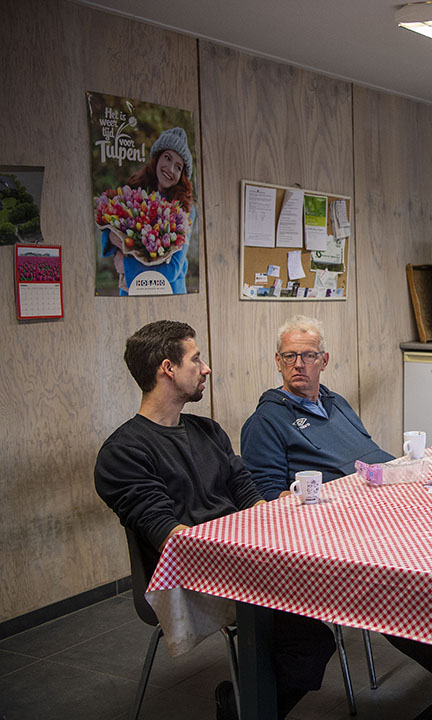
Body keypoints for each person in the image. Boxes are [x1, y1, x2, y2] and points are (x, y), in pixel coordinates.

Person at [94, 320, 335, 720]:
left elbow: (252, 500)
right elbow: (171, 537)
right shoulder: (123, 453)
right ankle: (245, 708)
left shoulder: (208, 430)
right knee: (310, 639)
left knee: (319, 610)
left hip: (244, 561)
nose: (206, 368)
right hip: (191, 576)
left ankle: (244, 704)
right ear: (168, 369)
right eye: (196, 358)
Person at [241, 314, 393, 500]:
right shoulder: (264, 421)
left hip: (384, 489)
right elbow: (266, 493)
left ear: (324, 361)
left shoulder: (335, 402)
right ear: (278, 362)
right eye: (289, 356)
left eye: (309, 356)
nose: (298, 365)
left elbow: (369, 451)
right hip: (336, 511)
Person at [102, 126, 195, 294]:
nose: (170, 169)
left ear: (182, 175)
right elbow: (111, 224)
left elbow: (173, 268)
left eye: (178, 167)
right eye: (167, 158)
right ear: (157, 158)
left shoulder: (184, 209)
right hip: (130, 291)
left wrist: (127, 266)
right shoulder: (134, 191)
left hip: (169, 292)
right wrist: (109, 236)